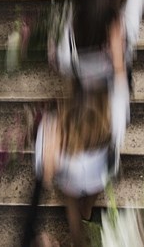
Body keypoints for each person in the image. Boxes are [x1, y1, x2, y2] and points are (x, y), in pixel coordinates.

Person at [35, 88, 114, 245]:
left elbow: (46, 176)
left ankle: (78, 239)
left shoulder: (56, 134)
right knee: (95, 189)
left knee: (71, 205)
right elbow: (111, 156)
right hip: (96, 178)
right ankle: (87, 210)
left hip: (70, 181)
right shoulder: (103, 129)